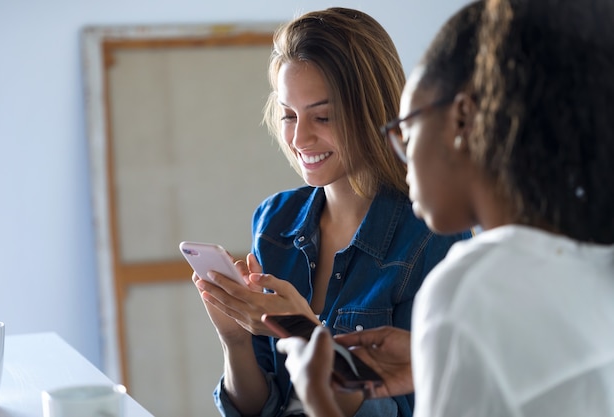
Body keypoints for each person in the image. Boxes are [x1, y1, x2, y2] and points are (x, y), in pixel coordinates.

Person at [277, 0, 614, 416]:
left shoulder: (470, 287)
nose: (401, 152)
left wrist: (324, 404)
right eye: (288, 115)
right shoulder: (594, 261)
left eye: (408, 127)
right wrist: (430, 366)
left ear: (461, 120)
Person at [193, 7, 471, 417]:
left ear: (372, 110)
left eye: (322, 116)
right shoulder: (274, 221)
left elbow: (424, 407)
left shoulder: (434, 236)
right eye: (289, 115)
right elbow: (259, 407)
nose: (300, 138)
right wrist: (234, 340)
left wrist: (306, 335)